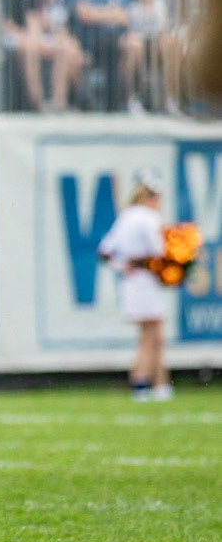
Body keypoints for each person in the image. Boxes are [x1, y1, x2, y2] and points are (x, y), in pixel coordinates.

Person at [97, 169, 173, 401]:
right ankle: (140, 383)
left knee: (155, 335)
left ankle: (161, 386)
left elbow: (105, 252)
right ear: (149, 196)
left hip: (131, 282)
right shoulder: (147, 218)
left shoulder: (127, 216)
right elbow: (158, 252)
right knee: (150, 336)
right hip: (145, 281)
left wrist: (123, 266)